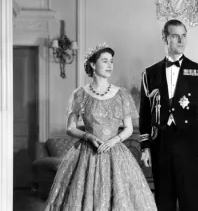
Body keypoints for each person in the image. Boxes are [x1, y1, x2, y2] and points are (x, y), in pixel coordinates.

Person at [44, 43, 157, 211]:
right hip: (87, 153)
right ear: (92, 64)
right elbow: (70, 128)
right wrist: (87, 136)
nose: (110, 65)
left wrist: (114, 141)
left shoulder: (122, 95)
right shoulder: (79, 94)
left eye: (111, 61)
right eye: (105, 61)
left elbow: (128, 128)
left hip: (115, 153)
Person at [139, 19, 198, 211]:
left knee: (191, 201)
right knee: (163, 201)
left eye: (184, 36)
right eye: (175, 36)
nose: (181, 40)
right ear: (165, 38)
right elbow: (144, 113)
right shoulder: (149, 74)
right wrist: (145, 146)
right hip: (161, 145)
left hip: (190, 144)